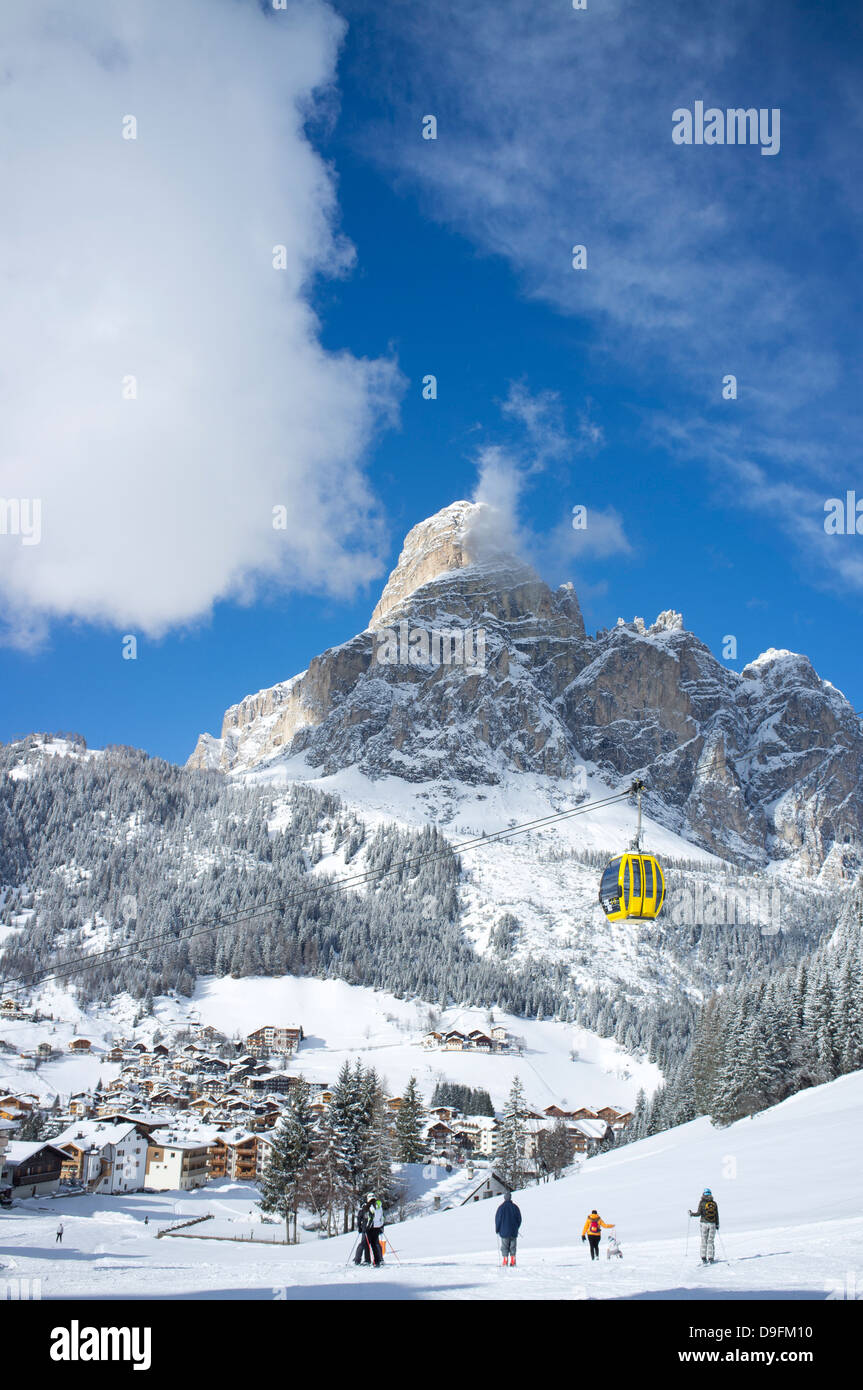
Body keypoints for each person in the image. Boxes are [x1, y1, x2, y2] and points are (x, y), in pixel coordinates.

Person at [353, 1193, 385, 1267]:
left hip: (368, 1228)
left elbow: (366, 1218)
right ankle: (378, 1260)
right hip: (377, 1228)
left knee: (365, 1244)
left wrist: (361, 1227)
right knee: (375, 1244)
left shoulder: (367, 1206)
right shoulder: (379, 1206)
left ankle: (364, 1260)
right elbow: (382, 1218)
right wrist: (381, 1227)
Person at [689, 1189, 720, 1264]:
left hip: (703, 1224)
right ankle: (711, 1257)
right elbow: (716, 1215)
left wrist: (692, 1214)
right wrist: (717, 1224)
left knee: (704, 1240)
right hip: (712, 1224)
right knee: (710, 1241)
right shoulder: (714, 1203)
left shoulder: (702, 1203)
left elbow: (699, 1213)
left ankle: (703, 1257)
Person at [495, 1191, 522, 1266]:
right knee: (513, 1246)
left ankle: (505, 1260)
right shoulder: (515, 1207)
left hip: (504, 1232)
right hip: (513, 1231)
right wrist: (516, 1227)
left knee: (504, 1246)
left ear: (504, 1198)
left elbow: (498, 1219)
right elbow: (519, 1219)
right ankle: (513, 1260)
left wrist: (497, 1229)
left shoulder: (501, 1208)